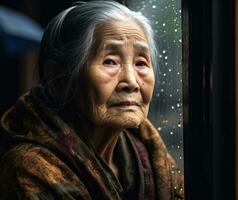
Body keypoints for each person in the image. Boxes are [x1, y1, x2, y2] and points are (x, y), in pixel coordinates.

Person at [0, 1, 184, 199]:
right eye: (110, 62)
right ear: (58, 80)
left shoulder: (148, 152)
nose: (131, 82)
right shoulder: (30, 169)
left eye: (141, 63)